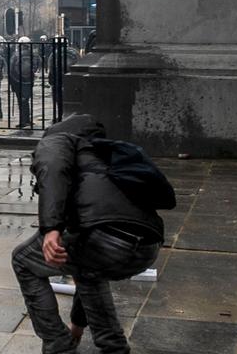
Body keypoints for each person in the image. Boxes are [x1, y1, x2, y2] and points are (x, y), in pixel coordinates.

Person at [12, 114, 163, 354]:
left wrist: (51, 229)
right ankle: (112, 346)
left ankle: (58, 345)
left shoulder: (58, 141)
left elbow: (53, 170)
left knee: (23, 260)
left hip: (104, 237)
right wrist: (78, 326)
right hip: (147, 246)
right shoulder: (102, 154)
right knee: (88, 264)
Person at [9, 36, 43, 129]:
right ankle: (26, 120)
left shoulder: (16, 55)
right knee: (26, 101)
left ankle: (23, 121)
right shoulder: (34, 55)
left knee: (21, 102)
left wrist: (12, 81)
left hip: (17, 80)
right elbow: (39, 65)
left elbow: (11, 68)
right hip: (28, 80)